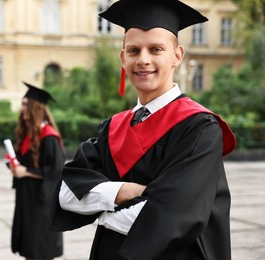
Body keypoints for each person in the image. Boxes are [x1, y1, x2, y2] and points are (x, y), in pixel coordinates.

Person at [50, 0, 237, 259]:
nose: (143, 60)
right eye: (134, 50)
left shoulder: (200, 129)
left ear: (177, 56)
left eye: (156, 49)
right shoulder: (112, 128)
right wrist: (123, 192)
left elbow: (174, 215)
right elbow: (67, 194)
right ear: (123, 58)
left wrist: (101, 210)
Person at [8, 82, 65, 260]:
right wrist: (14, 165)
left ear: (35, 108)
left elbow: (56, 170)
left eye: (25, 104)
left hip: (42, 202)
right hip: (27, 198)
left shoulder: (48, 136)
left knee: (39, 248)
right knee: (29, 248)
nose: (21, 108)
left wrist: (25, 172)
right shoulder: (28, 133)